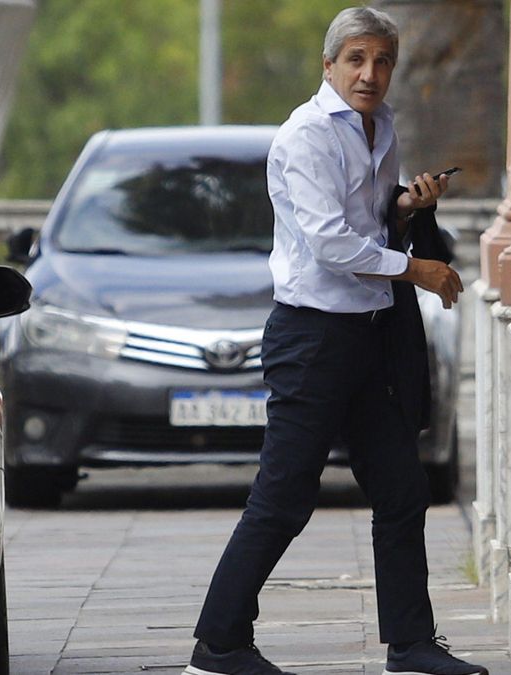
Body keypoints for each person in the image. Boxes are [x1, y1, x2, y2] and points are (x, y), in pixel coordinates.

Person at [182, 7, 486, 675]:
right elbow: (329, 242)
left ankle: (410, 644)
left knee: (402, 491)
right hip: (313, 338)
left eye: (382, 61)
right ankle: (218, 644)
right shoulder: (306, 136)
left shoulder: (384, 129)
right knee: (285, 494)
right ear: (329, 65)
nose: (369, 73)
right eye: (356, 59)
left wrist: (406, 206)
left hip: (370, 336)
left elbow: (368, 219)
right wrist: (419, 268)